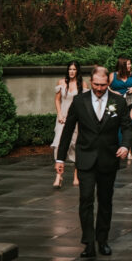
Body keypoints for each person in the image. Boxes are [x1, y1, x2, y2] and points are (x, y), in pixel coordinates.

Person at [55, 66, 131, 259]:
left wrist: (125, 145)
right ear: (91, 81)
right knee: (86, 199)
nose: (99, 88)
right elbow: (67, 130)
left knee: (105, 201)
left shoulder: (118, 101)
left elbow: (127, 128)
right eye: (96, 84)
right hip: (86, 158)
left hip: (108, 159)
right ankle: (88, 242)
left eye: (103, 85)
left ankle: (103, 240)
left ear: (108, 83)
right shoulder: (79, 101)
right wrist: (60, 158)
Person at [51, 60, 84, 188]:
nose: (71, 71)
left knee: (76, 144)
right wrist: (59, 114)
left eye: (74, 69)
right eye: (70, 69)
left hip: (76, 118)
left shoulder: (82, 85)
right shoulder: (61, 83)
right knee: (58, 143)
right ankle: (58, 176)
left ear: (77, 71)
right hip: (63, 117)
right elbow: (57, 100)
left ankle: (76, 175)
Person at [110, 57, 132, 160]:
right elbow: (105, 86)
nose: (130, 66)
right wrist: (114, 92)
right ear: (122, 65)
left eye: (130, 64)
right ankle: (119, 150)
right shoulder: (113, 75)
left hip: (129, 104)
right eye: (128, 64)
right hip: (114, 105)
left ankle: (130, 150)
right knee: (115, 128)